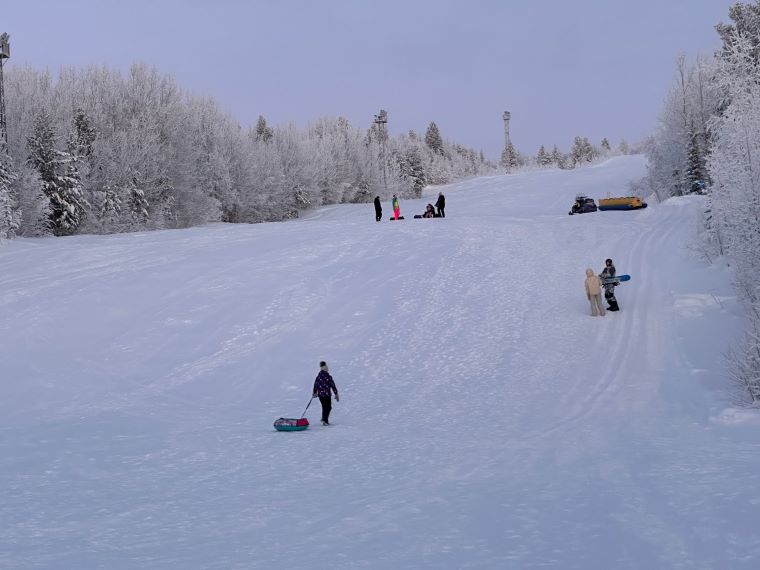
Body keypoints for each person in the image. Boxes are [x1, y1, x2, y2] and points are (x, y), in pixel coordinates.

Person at [312, 361, 339, 425]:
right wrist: (336, 393)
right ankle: (325, 421)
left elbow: (315, 385)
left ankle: (323, 418)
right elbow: (333, 385)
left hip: (321, 395)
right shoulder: (328, 376)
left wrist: (314, 393)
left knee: (324, 407)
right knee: (328, 407)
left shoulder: (318, 377)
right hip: (327, 394)